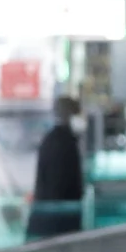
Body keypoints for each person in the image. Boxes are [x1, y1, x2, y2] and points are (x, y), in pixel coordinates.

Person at [29, 96, 86, 238]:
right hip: (55, 227)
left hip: (48, 224)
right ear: (70, 115)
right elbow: (58, 186)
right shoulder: (63, 143)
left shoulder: (54, 139)